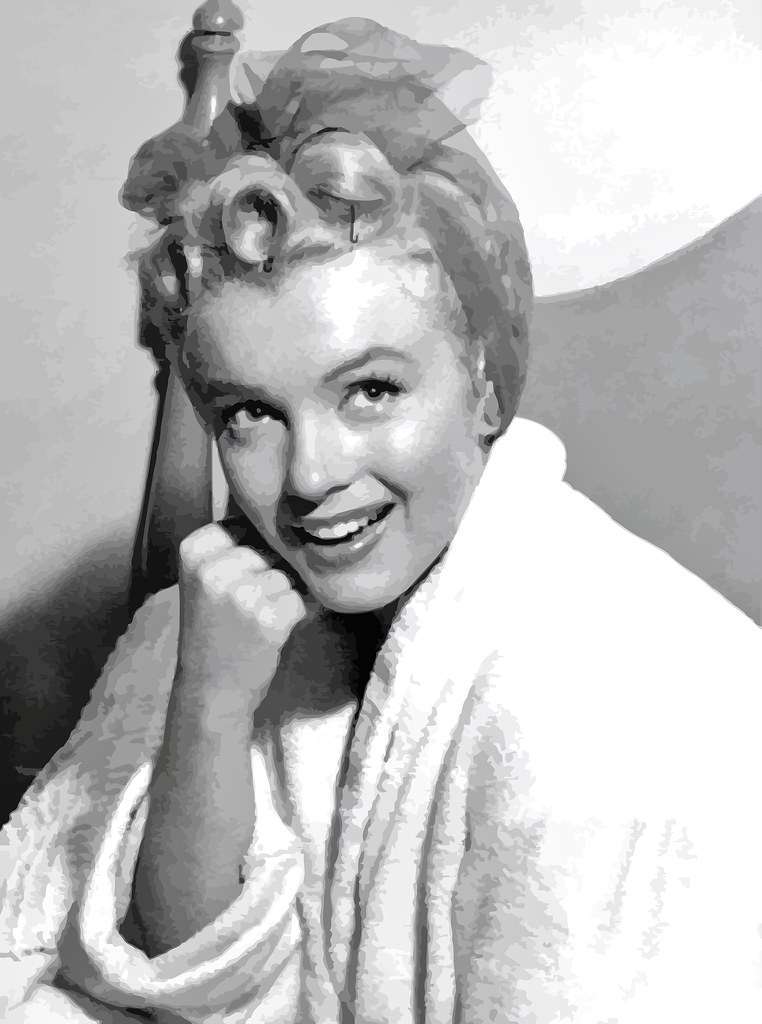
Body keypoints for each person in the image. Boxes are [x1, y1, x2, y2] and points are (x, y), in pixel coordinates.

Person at [1, 18, 760, 1024]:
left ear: (483, 383)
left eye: (370, 390)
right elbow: (185, 978)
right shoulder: (217, 623)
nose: (310, 477)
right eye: (250, 413)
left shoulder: (617, 716)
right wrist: (210, 705)